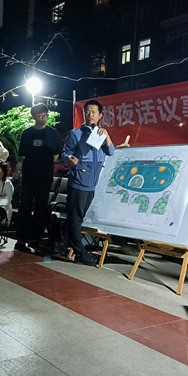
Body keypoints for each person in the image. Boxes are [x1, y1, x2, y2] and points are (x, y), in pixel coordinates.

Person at [58, 100, 114, 266]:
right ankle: (80, 252)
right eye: (87, 112)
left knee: (75, 216)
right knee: (76, 218)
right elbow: (65, 154)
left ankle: (59, 242)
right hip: (79, 180)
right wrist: (69, 159)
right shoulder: (75, 133)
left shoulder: (101, 133)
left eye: (94, 112)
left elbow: (111, 152)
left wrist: (107, 136)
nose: (90, 115)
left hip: (93, 182)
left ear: (100, 115)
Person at [15, 103, 61, 252]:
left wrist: (45, 163)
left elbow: (56, 154)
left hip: (45, 175)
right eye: (40, 115)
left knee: (41, 207)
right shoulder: (27, 133)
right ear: (33, 116)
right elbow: (23, 154)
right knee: (25, 207)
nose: (43, 117)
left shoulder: (53, 133)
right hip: (29, 175)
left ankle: (35, 239)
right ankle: (21, 239)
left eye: (45, 114)